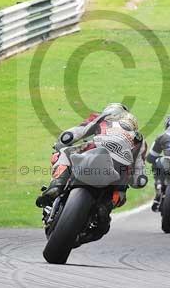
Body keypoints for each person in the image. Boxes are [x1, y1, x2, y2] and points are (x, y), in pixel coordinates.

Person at [35, 103, 147, 241]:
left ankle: (57, 184)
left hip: (92, 152)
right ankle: (106, 207)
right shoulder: (139, 138)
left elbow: (75, 133)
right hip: (118, 173)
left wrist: (61, 143)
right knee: (120, 193)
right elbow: (139, 175)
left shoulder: (101, 120)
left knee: (64, 153)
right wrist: (136, 180)